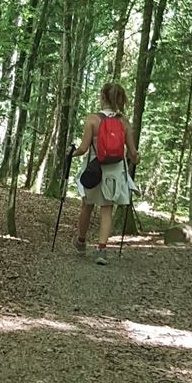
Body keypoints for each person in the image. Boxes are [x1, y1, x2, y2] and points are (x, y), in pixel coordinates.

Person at [71, 82, 139, 265]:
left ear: (102, 96)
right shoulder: (124, 122)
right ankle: (101, 250)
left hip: (93, 168)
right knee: (107, 208)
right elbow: (132, 153)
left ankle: (81, 242)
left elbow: (84, 148)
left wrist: (71, 153)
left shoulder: (92, 119)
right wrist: (136, 158)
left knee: (87, 204)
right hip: (115, 172)